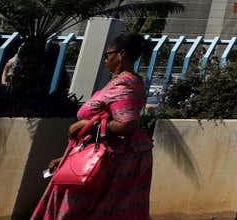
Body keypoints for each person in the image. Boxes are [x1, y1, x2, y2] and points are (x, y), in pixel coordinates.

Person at [32, 32, 153, 220]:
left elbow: (127, 124)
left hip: (105, 161)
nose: (105, 59)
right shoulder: (125, 82)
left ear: (121, 54)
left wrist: (83, 125)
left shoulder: (123, 84)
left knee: (75, 210)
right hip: (98, 155)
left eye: (108, 54)